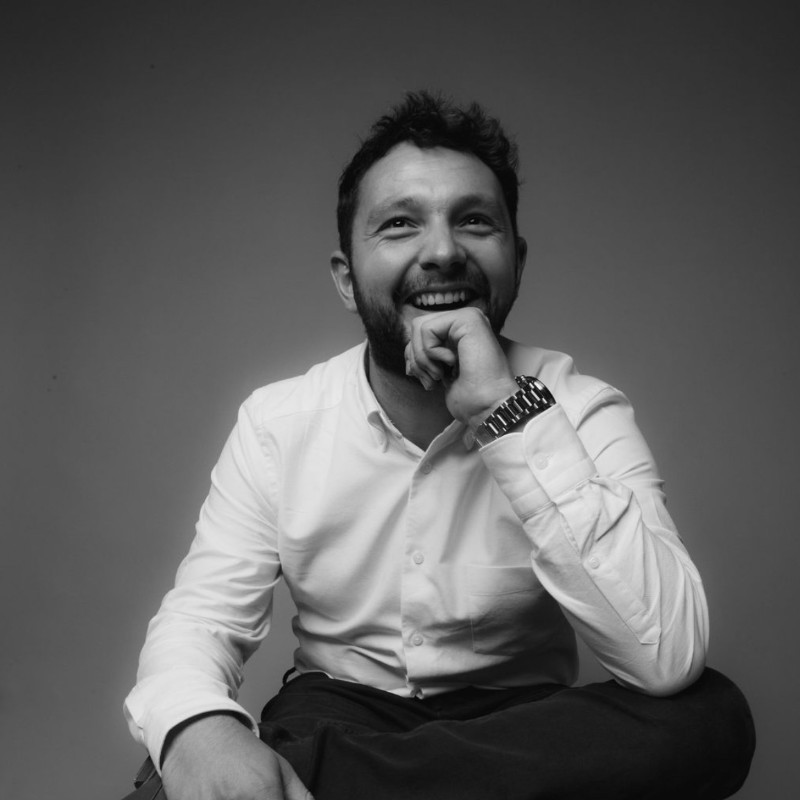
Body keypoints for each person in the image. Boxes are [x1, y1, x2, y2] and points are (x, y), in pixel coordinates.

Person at [123, 91, 755, 800]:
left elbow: (665, 655)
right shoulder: (277, 422)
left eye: (474, 221)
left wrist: (504, 411)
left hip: (524, 727)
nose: (445, 252)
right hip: (347, 711)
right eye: (400, 224)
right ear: (346, 278)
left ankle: (316, 779)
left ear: (515, 260)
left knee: (712, 717)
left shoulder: (582, 408)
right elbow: (201, 618)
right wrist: (196, 728)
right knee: (198, 747)